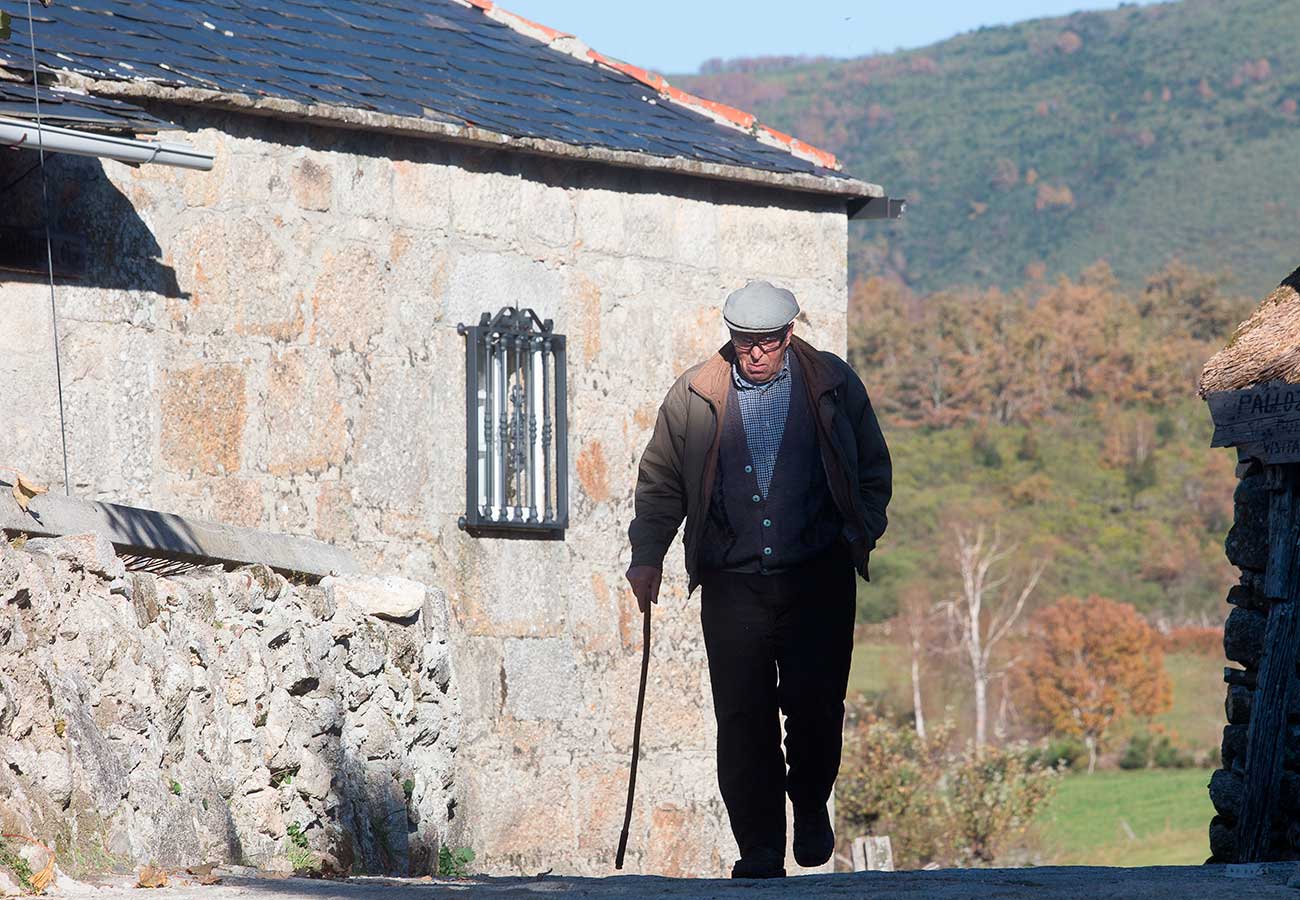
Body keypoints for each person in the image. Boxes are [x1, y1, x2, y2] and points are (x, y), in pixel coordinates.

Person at [626, 281, 891, 879]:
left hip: (817, 574)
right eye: (744, 342)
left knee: (815, 704)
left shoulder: (832, 383)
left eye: (766, 342)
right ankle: (762, 848)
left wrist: (861, 530)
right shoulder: (695, 394)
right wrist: (648, 555)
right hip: (732, 578)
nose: (755, 353)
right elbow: (662, 480)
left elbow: (873, 465)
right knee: (743, 718)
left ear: (788, 334)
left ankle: (811, 800)